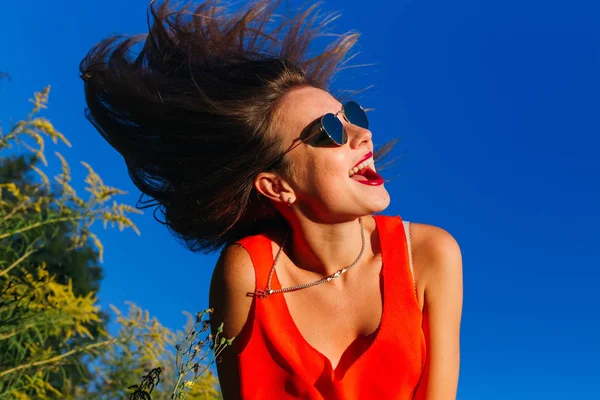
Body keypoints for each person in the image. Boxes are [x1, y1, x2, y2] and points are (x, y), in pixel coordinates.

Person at [79, 0, 463, 398]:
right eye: (328, 131)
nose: (361, 135)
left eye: (352, 116)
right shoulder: (248, 274)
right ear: (277, 186)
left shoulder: (429, 255)